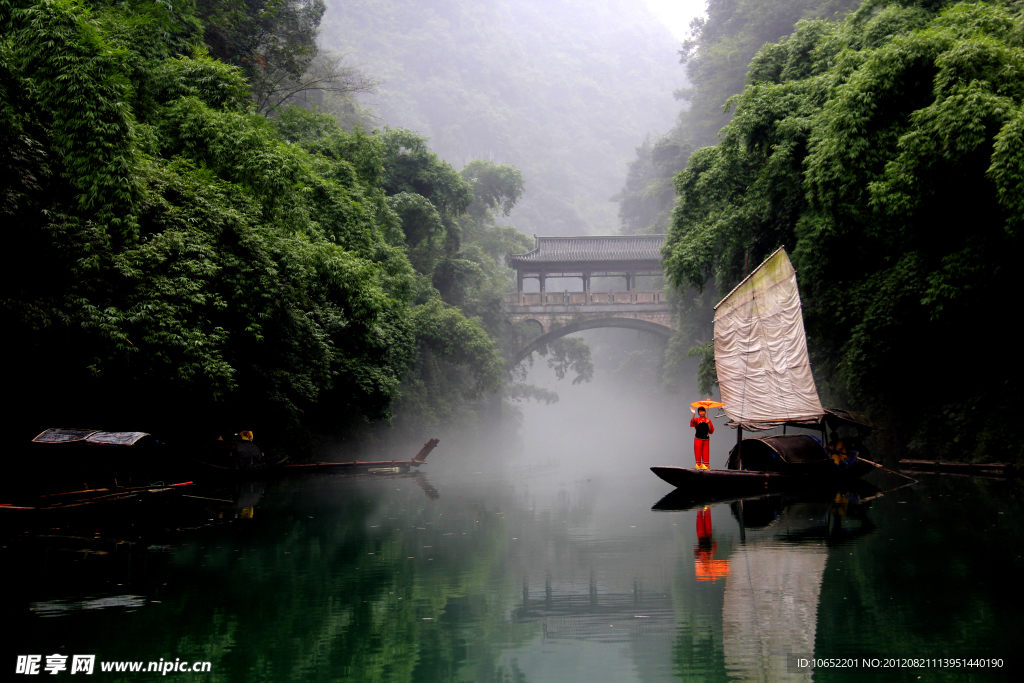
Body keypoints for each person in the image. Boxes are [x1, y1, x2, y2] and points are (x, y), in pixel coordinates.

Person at [690, 405, 714, 470]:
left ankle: (705, 468)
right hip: (698, 438)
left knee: (706, 453)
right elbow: (692, 422)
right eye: (700, 412)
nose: (702, 413)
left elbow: (711, 431)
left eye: (703, 411)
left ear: (705, 412)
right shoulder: (697, 419)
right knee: (698, 453)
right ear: (699, 413)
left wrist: (708, 423)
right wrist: (693, 414)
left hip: (706, 439)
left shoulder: (708, 420)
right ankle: (698, 467)